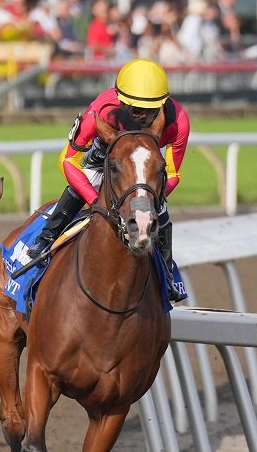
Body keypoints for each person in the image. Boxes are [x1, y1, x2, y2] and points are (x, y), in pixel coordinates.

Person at [20, 59, 189, 303]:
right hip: (103, 158)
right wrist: (94, 199)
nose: (141, 119)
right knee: (87, 179)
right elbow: (67, 160)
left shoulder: (178, 121)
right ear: (121, 102)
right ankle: (45, 239)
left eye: (149, 113)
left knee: (159, 208)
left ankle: (167, 273)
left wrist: (148, 197)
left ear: (162, 106)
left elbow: (172, 174)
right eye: (135, 111)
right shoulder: (102, 110)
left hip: (143, 164)